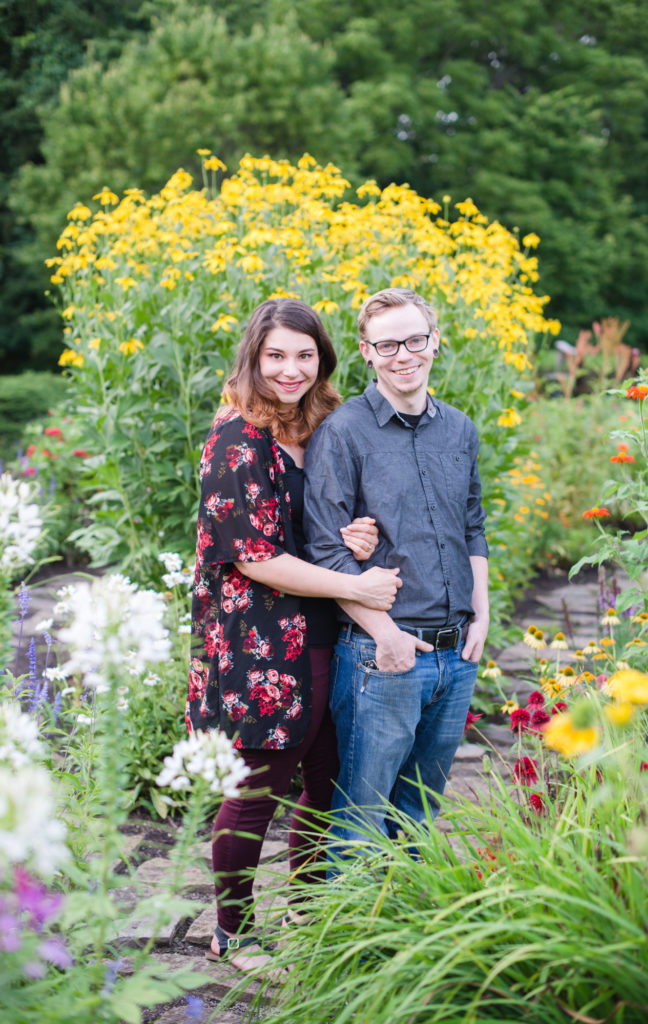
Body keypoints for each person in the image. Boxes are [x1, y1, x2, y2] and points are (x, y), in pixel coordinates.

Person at [187, 298, 401, 977]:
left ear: (323, 360)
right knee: (259, 786)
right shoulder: (237, 438)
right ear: (254, 358)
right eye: (276, 355)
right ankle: (233, 933)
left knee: (329, 777)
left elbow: (315, 525)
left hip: (325, 629)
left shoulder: (322, 425)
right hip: (263, 641)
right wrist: (360, 586)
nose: (291, 370)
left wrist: (353, 538)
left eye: (305, 355)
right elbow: (253, 556)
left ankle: (307, 910)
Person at [303, 287, 489, 848]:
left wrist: (481, 617)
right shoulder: (343, 432)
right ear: (366, 351)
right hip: (380, 656)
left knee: (419, 816)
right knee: (361, 818)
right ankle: (353, 909)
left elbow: (472, 527)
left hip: (456, 654)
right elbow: (326, 550)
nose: (403, 355)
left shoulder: (460, 429)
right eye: (387, 345)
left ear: (435, 342)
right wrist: (386, 636)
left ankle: (410, 908)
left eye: (414, 340)